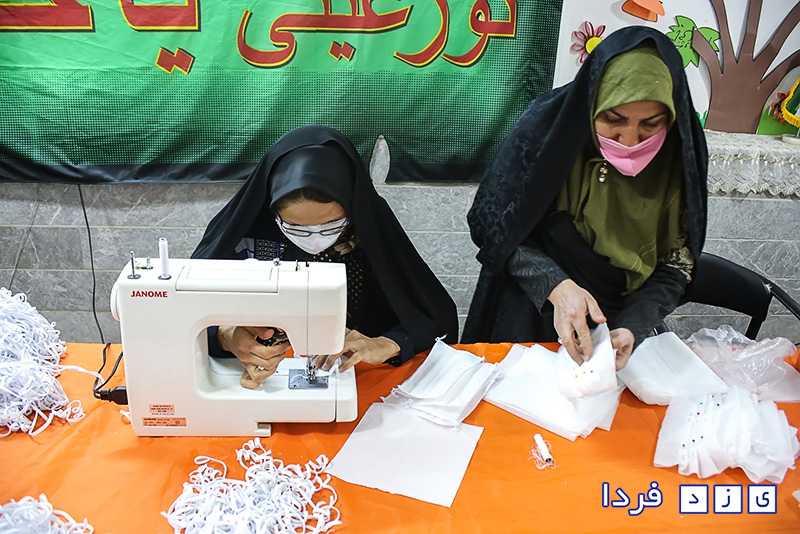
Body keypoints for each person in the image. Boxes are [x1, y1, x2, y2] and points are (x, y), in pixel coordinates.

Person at [461, 27, 708, 371]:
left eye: (650, 124)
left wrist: (633, 326)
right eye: (612, 119)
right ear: (592, 103)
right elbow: (489, 223)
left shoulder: (679, 158)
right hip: (531, 304)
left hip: (618, 319)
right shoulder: (547, 128)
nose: (629, 140)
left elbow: (676, 264)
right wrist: (555, 285)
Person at [192, 125, 458, 388]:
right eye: (295, 227)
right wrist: (224, 336)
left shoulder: (371, 230)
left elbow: (433, 317)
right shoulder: (243, 232)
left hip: (355, 373)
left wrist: (389, 343)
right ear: (272, 211)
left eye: (331, 225)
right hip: (258, 370)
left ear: (352, 206)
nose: (315, 239)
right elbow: (184, 310)